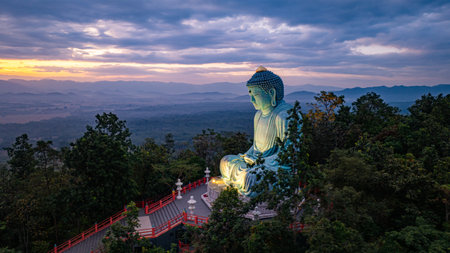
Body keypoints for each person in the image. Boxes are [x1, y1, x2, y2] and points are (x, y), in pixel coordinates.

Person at [219, 66, 293, 196]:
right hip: (255, 163)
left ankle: (241, 184)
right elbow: (255, 146)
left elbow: (289, 155)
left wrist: (260, 162)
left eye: (256, 95)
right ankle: (240, 183)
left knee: (250, 178)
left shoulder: (285, 115)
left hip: (273, 168)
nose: (252, 100)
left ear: (272, 93)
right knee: (226, 161)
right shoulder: (258, 115)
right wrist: (246, 157)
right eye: (250, 94)